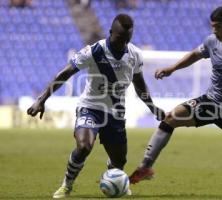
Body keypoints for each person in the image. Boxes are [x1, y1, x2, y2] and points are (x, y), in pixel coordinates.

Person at [129, 6, 222, 196]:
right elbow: (195, 54)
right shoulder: (212, 41)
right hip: (211, 103)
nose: (213, 31)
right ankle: (145, 166)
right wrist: (172, 68)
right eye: (212, 27)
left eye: (217, 27)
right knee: (170, 118)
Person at [27, 14, 165, 199]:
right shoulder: (94, 51)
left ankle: (113, 176)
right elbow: (65, 73)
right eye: (118, 39)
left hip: (115, 113)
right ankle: (67, 185)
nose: (121, 43)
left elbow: (139, 84)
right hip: (91, 107)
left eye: (126, 40)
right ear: (110, 33)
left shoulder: (135, 55)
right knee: (84, 147)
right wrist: (41, 99)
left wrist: (152, 107)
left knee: (119, 160)